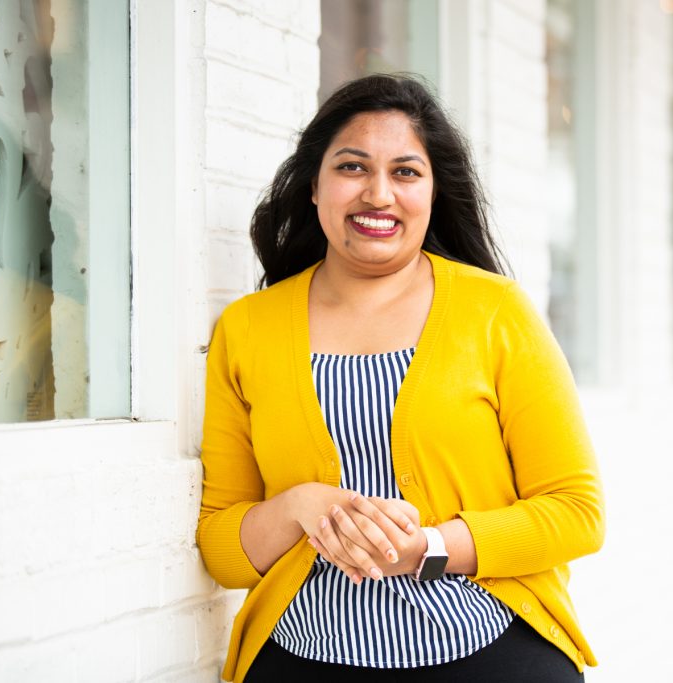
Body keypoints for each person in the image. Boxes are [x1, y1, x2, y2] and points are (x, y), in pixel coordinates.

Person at [196, 73, 605, 683]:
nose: (378, 194)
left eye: (406, 172)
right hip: (301, 659)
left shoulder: (496, 312)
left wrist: (429, 549)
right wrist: (303, 507)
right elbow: (222, 546)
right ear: (315, 186)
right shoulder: (246, 329)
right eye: (353, 168)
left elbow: (577, 511)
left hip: (488, 655)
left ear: (434, 191)